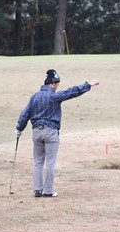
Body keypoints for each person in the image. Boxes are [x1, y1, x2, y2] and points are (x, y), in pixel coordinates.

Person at [16, 69, 99, 198]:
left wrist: (19, 129)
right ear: (53, 83)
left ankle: (37, 190)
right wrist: (89, 85)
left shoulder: (34, 97)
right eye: (57, 84)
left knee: (38, 162)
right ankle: (48, 191)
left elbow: (24, 114)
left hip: (36, 132)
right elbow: (72, 92)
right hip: (51, 132)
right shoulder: (54, 96)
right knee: (50, 162)